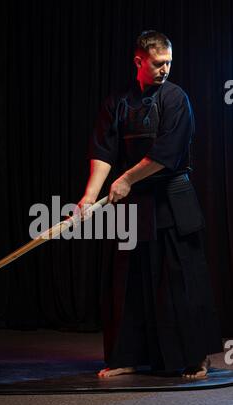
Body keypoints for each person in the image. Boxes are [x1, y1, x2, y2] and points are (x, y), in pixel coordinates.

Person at [77, 30, 223, 379]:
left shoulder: (176, 99)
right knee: (130, 282)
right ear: (139, 61)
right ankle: (127, 356)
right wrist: (88, 197)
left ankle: (195, 357)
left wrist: (126, 180)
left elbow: (167, 153)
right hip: (134, 208)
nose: (165, 69)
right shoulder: (118, 103)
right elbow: (103, 151)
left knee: (180, 279)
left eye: (169, 63)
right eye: (159, 63)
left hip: (172, 199)